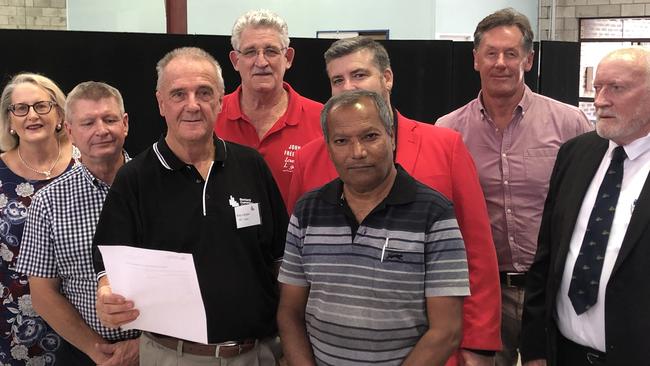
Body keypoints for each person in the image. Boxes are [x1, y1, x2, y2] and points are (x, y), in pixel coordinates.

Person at [286, 36, 500, 365]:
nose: (348, 87)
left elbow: (477, 250)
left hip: (431, 346)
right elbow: (301, 260)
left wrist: (479, 342)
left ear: (387, 78)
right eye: (337, 80)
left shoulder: (445, 146)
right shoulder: (311, 157)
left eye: (359, 75)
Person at [92, 47, 288, 366]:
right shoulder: (135, 178)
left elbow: (281, 261)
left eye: (204, 92)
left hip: (256, 354)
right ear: (161, 103)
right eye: (179, 94)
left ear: (221, 101)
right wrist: (107, 293)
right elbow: (109, 261)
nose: (192, 105)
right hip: (172, 356)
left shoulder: (251, 166)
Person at [436, 8, 593, 366]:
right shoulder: (448, 131)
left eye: (511, 53)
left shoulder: (569, 122)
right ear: (475, 59)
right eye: (491, 53)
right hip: (484, 294)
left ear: (529, 59)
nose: (501, 63)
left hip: (553, 288)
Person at [278, 89, 470, 365]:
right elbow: (289, 313)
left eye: (370, 136)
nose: (358, 152)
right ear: (328, 147)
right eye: (342, 141)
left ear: (392, 137)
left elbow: (447, 331)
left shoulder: (434, 214)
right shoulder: (307, 211)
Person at [521, 47, 650, 366]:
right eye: (597, 88)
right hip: (564, 353)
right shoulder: (576, 154)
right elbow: (547, 255)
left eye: (615, 88)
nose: (600, 100)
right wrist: (535, 347)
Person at [16, 81, 138, 365]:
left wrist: (143, 346)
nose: (101, 130)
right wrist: (97, 350)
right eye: (88, 122)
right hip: (87, 355)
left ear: (125, 124)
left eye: (109, 120)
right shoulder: (48, 202)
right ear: (70, 131)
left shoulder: (160, 187)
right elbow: (43, 294)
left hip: (162, 350)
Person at [0, 73, 77, 365]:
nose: (32, 115)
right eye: (21, 108)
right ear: (10, 121)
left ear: (59, 114)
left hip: (87, 322)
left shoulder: (92, 162)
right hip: (14, 326)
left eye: (41, 106)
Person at [216, 9, 322, 206]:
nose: (261, 62)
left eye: (271, 51)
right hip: (224, 237)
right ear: (235, 60)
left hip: (295, 236)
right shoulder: (212, 115)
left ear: (288, 58)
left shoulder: (322, 120)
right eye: (250, 52)